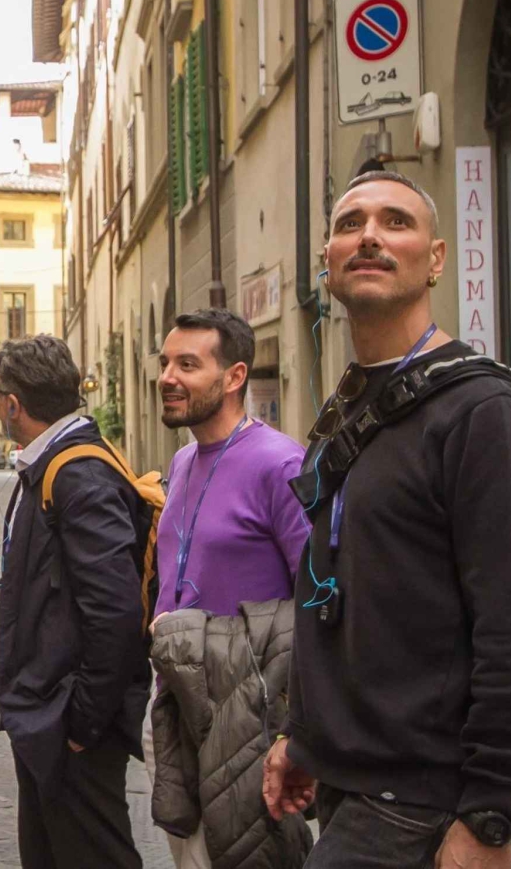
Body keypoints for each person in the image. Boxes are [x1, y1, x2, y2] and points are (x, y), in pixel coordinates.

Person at [263, 171, 511, 869]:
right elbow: (339, 591)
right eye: (349, 224)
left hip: (423, 806)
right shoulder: (349, 408)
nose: (368, 234)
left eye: (394, 221)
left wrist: (491, 812)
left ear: (435, 258)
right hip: (354, 785)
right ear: (329, 265)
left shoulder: (481, 410)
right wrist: (308, 739)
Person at [145, 308, 313, 869]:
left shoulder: (280, 463)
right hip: (179, 706)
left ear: (235, 376)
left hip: (250, 720)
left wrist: (299, 728)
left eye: (188, 364)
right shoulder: (184, 459)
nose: (168, 377)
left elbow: (318, 599)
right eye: (166, 362)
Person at [0, 334, 149, 869]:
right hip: (46, 718)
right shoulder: (54, 462)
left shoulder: (78, 474)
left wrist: (81, 725)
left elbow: (116, 612)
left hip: (66, 725)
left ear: (14, 405)